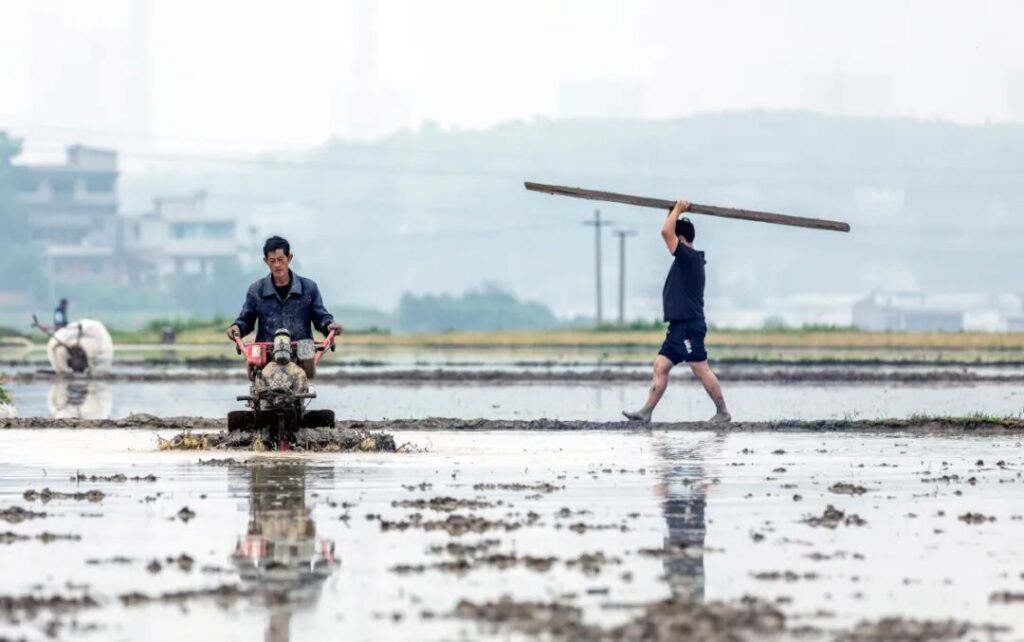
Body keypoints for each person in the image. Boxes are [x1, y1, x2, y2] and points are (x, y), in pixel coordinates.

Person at [623, 200, 731, 424]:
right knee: (660, 366)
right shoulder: (687, 259)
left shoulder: (689, 258)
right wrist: (673, 212)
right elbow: (669, 229)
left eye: (673, 240)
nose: (668, 246)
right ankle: (646, 412)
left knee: (699, 367)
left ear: (680, 240)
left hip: (690, 325)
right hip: (678, 326)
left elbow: (665, 231)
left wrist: (679, 209)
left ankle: (723, 412)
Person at [227, 236, 342, 376]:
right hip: (268, 352)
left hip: (299, 351)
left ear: (289, 258)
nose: (277, 265)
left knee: (303, 373)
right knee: (258, 375)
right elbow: (246, 319)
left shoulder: (308, 288)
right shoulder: (256, 290)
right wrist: (237, 327)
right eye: (272, 261)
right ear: (265, 261)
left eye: (281, 260)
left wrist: (329, 325)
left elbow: (320, 316)